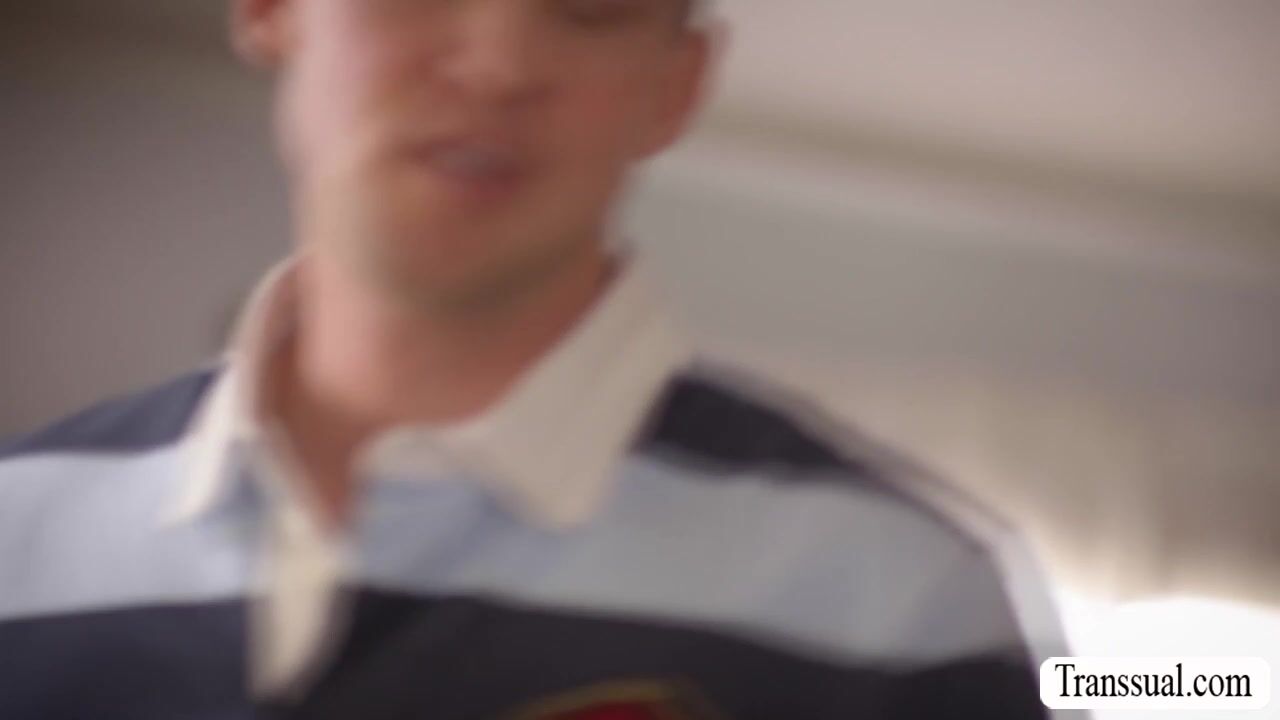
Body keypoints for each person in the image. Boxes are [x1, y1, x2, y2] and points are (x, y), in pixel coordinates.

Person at [0, 0, 1066, 717]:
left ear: (677, 82)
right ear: (270, 7)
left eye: (591, 2)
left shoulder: (906, 602)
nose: (500, 65)